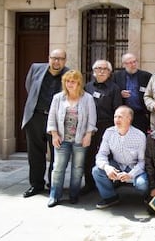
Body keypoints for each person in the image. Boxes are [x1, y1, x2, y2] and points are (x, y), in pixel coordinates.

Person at [21, 49, 69, 198]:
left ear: (65, 61)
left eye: (60, 59)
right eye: (54, 58)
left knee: (57, 154)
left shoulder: (69, 74)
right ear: (49, 58)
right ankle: (36, 185)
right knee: (35, 154)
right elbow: (30, 87)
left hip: (57, 121)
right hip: (35, 117)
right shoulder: (36, 68)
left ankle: (53, 185)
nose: (57, 62)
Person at [46, 70, 97, 207]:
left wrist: (88, 135)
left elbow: (92, 120)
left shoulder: (87, 98)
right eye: (67, 81)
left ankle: (74, 195)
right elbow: (51, 118)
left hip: (80, 140)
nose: (70, 84)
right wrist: (54, 134)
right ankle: (54, 195)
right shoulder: (58, 98)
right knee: (58, 168)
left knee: (77, 168)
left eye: (73, 81)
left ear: (79, 83)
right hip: (62, 139)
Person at [92, 106, 149, 209]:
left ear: (129, 119)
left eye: (120, 117)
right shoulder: (109, 132)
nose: (117, 120)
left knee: (142, 184)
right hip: (118, 164)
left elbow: (142, 162)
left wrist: (130, 175)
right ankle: (110, 197)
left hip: (134, 167)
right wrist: (107, 167)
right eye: (115, 117)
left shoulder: (140, 136)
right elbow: (101, 154)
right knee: (97, 171)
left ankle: (147, 197)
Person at [82, 60, 122, 195]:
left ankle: (109, 183)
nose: (101, 71)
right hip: (89, 127)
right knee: (88, 155)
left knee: (108, 156)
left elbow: (117, 109)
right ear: (94, 71)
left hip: (107, 126)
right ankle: (89, 183)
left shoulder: (114, 88)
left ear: (109, 72)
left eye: (105, 69)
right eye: (98, 68)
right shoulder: (87, 87)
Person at [113, 53, 152, 133]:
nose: (133, 64)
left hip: (140, 114)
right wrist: (119, 94)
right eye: (130, 63)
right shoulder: (116, 76)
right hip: (123, 114)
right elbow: (112, 93)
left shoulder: (146, 76)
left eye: (134, 62)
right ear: (124, 64)